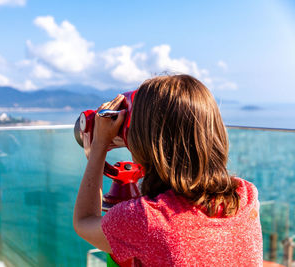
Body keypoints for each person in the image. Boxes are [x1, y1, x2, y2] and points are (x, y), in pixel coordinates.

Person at [73, 75, 263, 266]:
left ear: (145, 142)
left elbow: (84, 222)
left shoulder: (145, 218)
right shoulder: (247, 196)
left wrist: (99, 143)